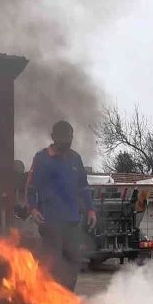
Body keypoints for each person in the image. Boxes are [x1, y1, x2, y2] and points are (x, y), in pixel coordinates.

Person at [26, 120, 97, 291]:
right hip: (49, 221)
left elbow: (83, 187)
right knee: (52, 265)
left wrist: (91, 210)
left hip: (72, 221)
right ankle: (49, 302)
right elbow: (31, 187)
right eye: (64, 138)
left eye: (70, 138)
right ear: (53, 137)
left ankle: (67, 300)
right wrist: (33, 209)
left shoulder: (75, 159)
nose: (68, 142)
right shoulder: (42, 158)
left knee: (72, 263)